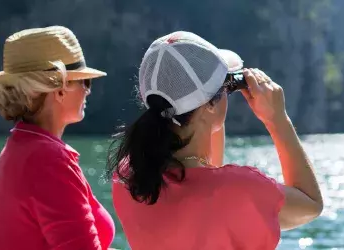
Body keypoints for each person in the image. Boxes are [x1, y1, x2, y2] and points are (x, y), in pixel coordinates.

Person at [106, 31, 324, 249]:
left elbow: (206, 174)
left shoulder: (128, 177)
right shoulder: (241, 189)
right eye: (226, 88)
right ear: (209, 105)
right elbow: (310, 203)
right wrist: (277, 119)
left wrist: (215, 97)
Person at [0, 26, 115, 249]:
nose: (88, 90)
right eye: (84, 81)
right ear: (59, 88)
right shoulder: (49, 160)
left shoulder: (20, 146)